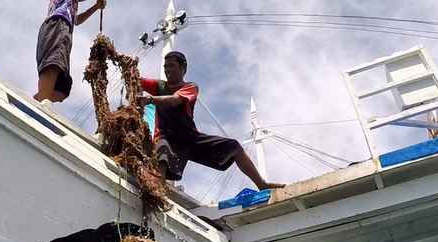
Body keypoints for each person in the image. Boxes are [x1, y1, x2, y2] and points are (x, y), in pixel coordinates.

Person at [138, 51, 286, 191]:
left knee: (234, 147)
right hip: (166, 138)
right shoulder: (158, 85)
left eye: (172, 65)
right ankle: (157, 193)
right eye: (165, 66)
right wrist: (130, 63)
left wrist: (151, 99)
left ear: (183, 67)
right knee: (161, 151)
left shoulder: (190, 87)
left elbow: (174, 100)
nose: (167, 70)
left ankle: (261, 184)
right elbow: (136, 80)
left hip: (189, 137)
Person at [34, 0, 106, 105]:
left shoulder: (69, 5)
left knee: (63, 87)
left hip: (61, 26)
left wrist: (96, 6)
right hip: (58, 24)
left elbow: (76, 20)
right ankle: (43, 106)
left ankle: (38, 99)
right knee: (54, 64)